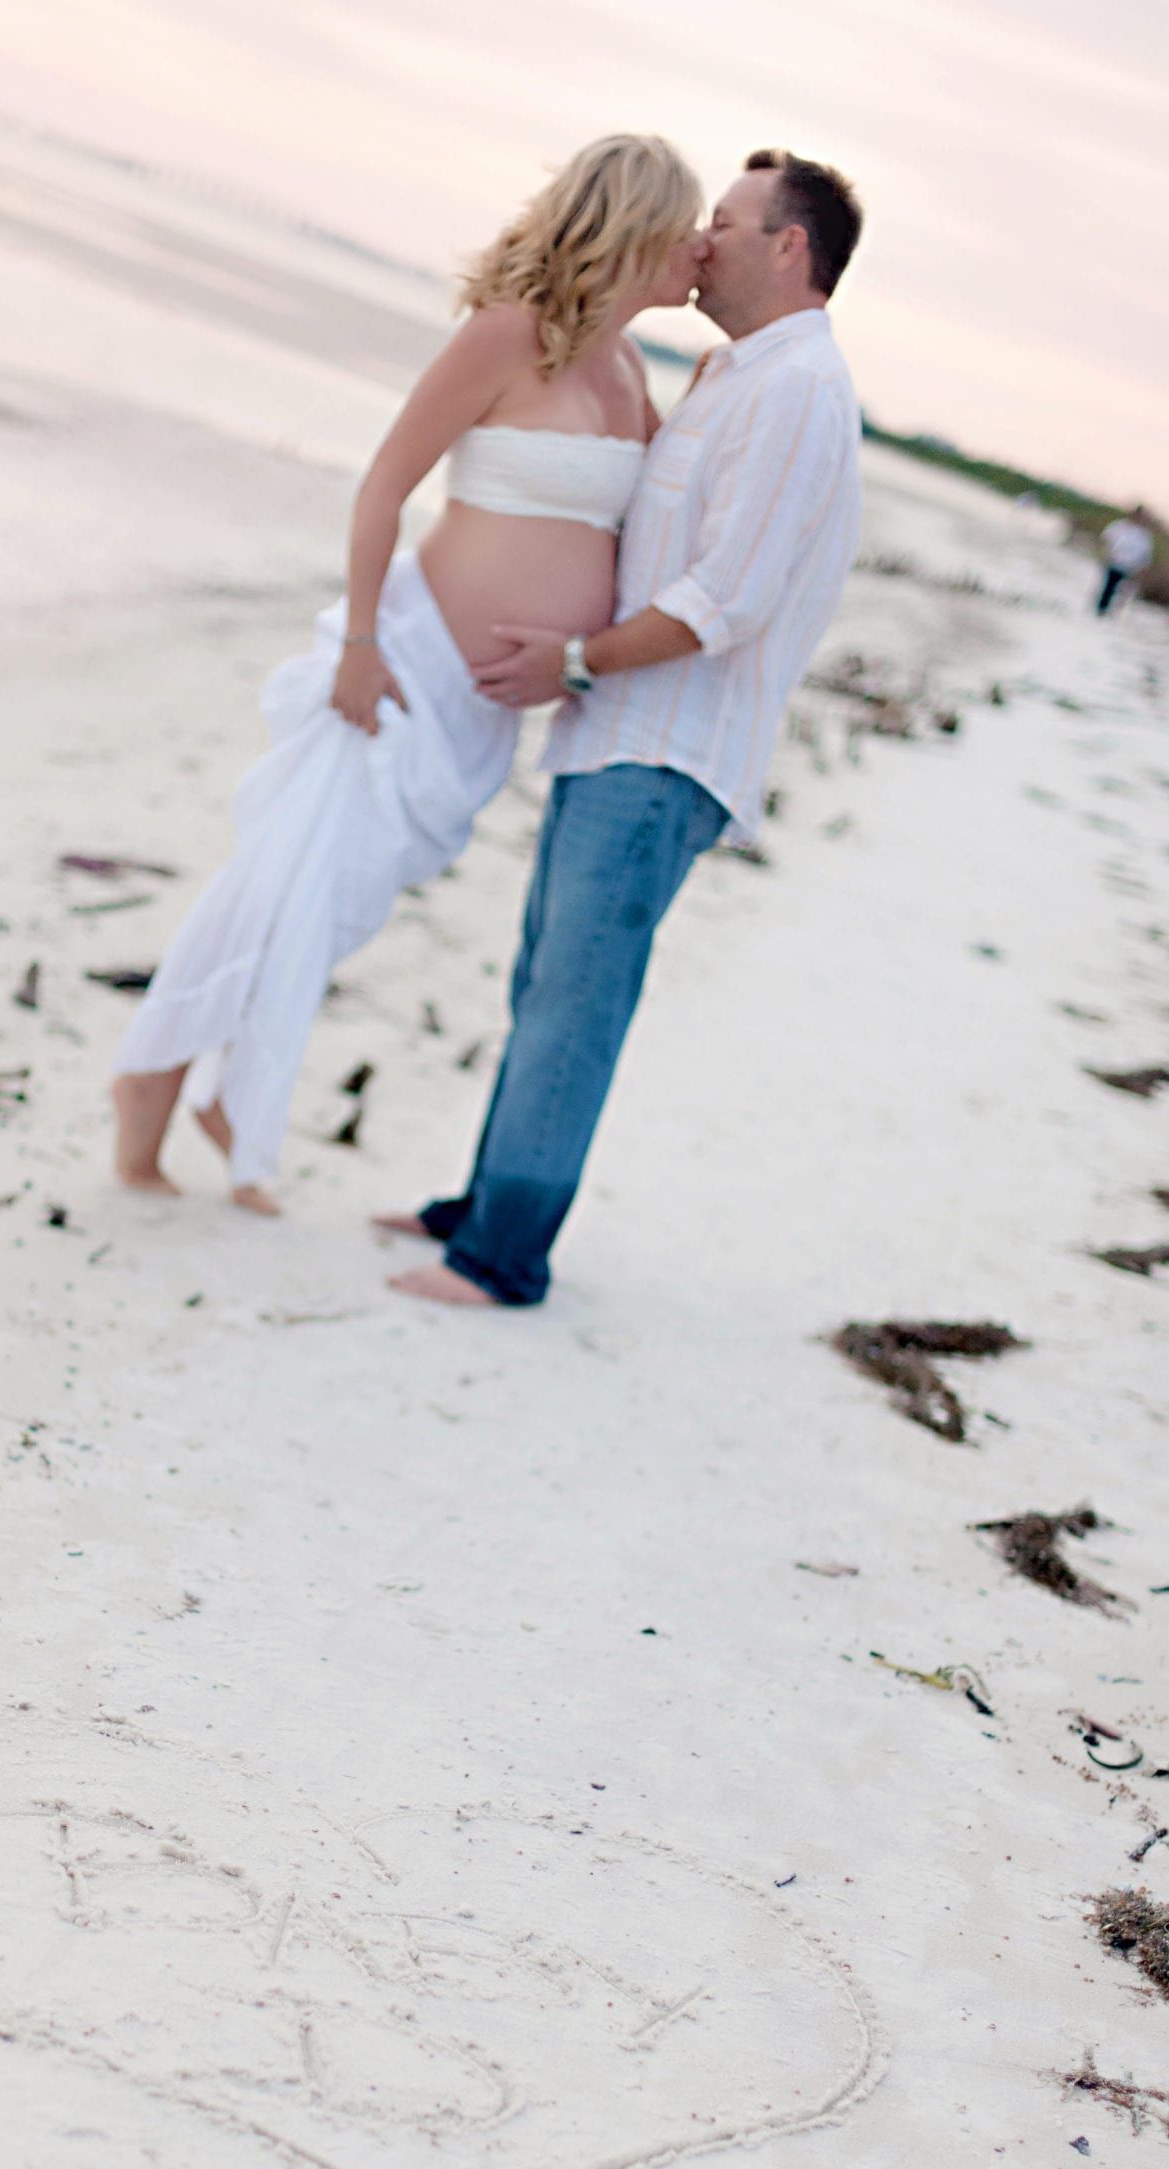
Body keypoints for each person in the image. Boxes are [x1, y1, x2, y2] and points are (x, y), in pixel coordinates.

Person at [110, 134, 704, 1214]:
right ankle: (150, 1084)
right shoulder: (508, 334)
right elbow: (385, 485)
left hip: (487, 705)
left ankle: (227, 1084)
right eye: (689, 229)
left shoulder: (625, 367)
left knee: (345, 902)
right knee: (289, 875)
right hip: (407, 658)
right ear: (638, 229)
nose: (704, 250)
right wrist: (360, 644)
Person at [380, 150, 865, 1307]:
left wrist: (577, 657)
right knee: (547, 979)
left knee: (578, 1001)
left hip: (666, 749)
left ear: (790, 249)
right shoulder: (734, 375)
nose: (704, 240)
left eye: (729, 224)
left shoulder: (798, 390)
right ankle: (485, 1202)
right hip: (616, 734)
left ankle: (502, 1258)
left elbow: (725, 602)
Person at [1095, 506, 1152, 616]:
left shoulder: (1144, 535)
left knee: (1121, 590)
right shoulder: (1119, 525)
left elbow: (1145, 555)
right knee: (1109, 586)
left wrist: (1139, 570)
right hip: (1113, 561)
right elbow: (1105, 539)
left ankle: (1112, 610)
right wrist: (1104, 554)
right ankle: (1102, 609)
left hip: (1129, 567)